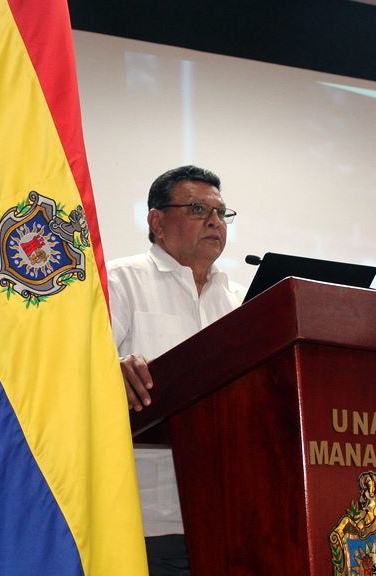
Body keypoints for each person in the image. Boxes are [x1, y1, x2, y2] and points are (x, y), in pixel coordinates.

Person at [107, 165, 246, 576]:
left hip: (231, 518)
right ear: (156, 221)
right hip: (146, 519)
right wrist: (111, 368)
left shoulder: (243, 302)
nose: (214, 221)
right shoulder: (120, 280)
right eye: (198, 209)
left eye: (221, 213)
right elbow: (75, 368)